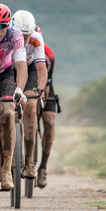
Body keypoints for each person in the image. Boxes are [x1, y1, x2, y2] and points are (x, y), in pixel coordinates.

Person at [0, 3, 27, 192]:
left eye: (3, 26)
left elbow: (22, 66)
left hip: (4, 74)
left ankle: (6, 169)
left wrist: (20, 89)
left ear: (9, 24)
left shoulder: (15, 35)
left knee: (9, 113)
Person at [11, 9, 45, 188]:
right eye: (21, 35)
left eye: (26, 36)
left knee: (31, 107)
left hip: (29, 69)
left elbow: (41, 69)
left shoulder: (36, 38)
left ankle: (30, 160)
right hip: (8, 69)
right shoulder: (6, 36)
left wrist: (40, 89)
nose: (23, 40)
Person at [36, 38, 60, 188]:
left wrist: (40, 106)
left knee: (49, 122)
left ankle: (43, 167)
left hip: (44, 85)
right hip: (23, 83)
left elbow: (47, 83)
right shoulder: (16, 47)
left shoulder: (48, 54)